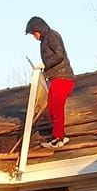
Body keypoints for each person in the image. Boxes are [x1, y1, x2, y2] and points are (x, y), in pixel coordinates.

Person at [25, 16, 74, 146]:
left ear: (38, 29)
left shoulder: (52, 36)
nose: (34, 37)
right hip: (55, 77)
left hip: (63, 77)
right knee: (52, 107)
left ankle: (60, 136)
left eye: (34, 33)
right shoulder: (44, 40)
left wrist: (45, 64)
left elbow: (60, 54)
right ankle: (57, 135)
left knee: (57, 106)